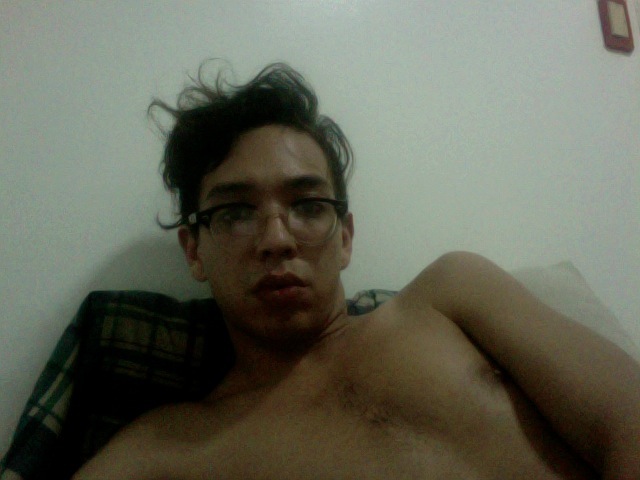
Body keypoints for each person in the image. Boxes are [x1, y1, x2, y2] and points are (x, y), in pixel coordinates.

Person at [72, 62, 640, 479]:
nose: (277, 239)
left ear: (344, 237)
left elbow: (629, 423)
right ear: (193, 250)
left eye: (307, 205)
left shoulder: (455, 293)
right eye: (236, 213)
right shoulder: (167, 449)